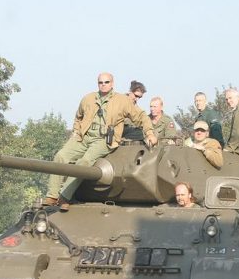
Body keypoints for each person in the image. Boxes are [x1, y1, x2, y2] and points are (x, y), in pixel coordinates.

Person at [44, 72, 158, 210]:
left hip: (105, 140)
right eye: (101, 82)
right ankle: (52, 196)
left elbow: (141, 117)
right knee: (60, 156)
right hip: (84, 137)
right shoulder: (88, 98)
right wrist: (76, 132)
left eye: (107, 82)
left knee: (84, 163)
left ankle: (64, 196)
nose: (103, 85)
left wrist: (150, 133)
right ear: (98, 84)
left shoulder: (122, 101)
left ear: (112, 84)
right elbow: (78, 116)